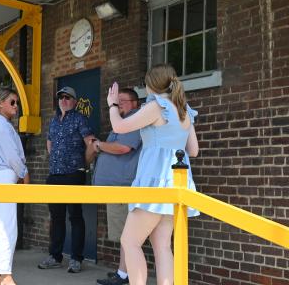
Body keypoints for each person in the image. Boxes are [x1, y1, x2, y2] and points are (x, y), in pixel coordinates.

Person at [107, 64, 199, 285]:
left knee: (130, 242)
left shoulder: (155, 106)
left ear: (151, 84)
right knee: (163, 247)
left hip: (154, 180)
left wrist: (112, 105)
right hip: (176, 182)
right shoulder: (184, 109)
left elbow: (119, 127)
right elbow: (193, 151)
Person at [38, 86, 94, 273]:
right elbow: (49, 144)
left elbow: (91, 144)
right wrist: (57, 160)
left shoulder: (80, 119)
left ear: (75, 101)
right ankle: (55, 256)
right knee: (56, 217)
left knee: (75, 216)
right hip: (55, 174)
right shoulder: (54, 121)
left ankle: (76, 259)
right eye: (61, 97)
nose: (63, 100)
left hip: (73, 174)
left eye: (68, 97)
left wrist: (82, 164)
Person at [89, 88, 142, 285]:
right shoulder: (124, 123)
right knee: (125, 236)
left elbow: (123, 148)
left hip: (123, 186)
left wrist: (99, 145)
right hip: (118, 186)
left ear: (135, 103)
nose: (119, 105)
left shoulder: (133, 122)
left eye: (123, 101)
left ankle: (126, 276)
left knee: (127, 236)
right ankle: (123, 273)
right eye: (116, 101)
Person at [0, 87, 30, 285]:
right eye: (12, 102)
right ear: (0, 103)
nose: (16, 106)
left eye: (16, 102)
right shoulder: (0, 126)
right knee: (7, 228)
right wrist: (24, 174)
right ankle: (5, 274)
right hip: (2, 177)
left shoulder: (1, 125)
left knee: (0, 226)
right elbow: (12, 156)